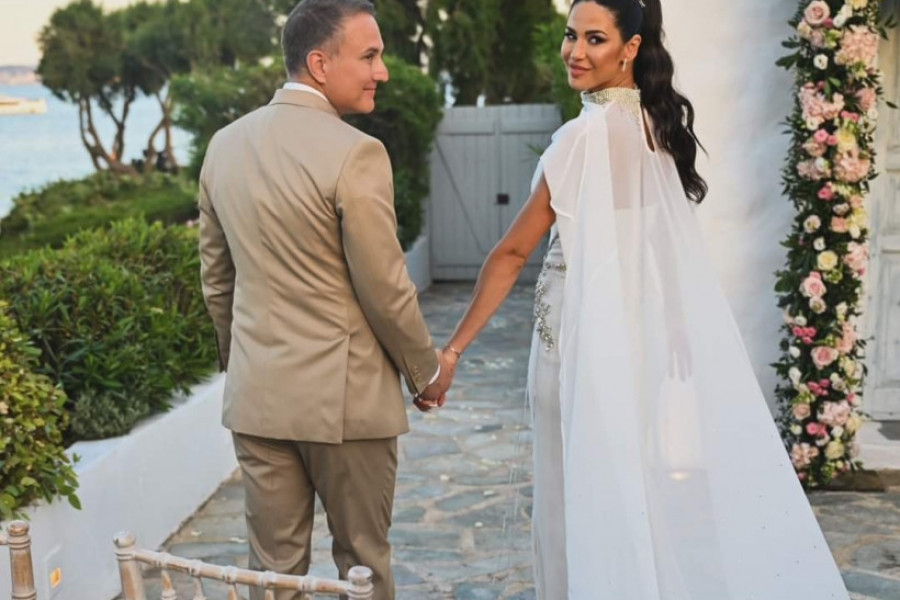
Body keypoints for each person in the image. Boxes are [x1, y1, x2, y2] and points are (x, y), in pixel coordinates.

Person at [440, 0, 850, 598]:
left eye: (595, 39)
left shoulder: (580, 139)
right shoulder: (657, 128)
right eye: (571, 35)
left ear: (630, 47)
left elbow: (511, 253)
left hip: (574, 342)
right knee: (621, 487)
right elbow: (660, 241)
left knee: (569, 491)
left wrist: (452, 349)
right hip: (632, 338)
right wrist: (676, 326)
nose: (575, 52)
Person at [198, 1, 452, 598]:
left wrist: (244, 366)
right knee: (363, 566)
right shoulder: (356, 152)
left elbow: (217, 281)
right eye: (369, 56)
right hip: (346, 406)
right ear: (319, 63)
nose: (381, 71)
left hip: (259, 400)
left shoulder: (223, 146)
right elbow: (385, 288)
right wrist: (427, 371)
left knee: (272, 575)